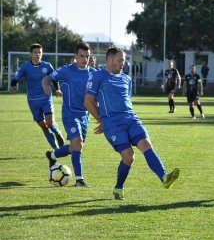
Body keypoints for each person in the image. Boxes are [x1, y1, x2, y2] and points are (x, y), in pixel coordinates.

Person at [84, 47, 180, 200]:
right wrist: (103, 121)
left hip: (131, 119)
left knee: (146, 145)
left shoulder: (126, 79)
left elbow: (126, 101)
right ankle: (118, 188)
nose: (124, 63)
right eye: (120, 60)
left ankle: (164, 177)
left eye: (124, 60)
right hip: (113, 124)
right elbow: (88, 101)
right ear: (109, 60)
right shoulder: (97, 76)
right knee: (129, 157)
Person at [43, 42, 97, 187]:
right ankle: (79, 180)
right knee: (77, 143)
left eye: (87, 56)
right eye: (81, 56)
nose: (84, 59)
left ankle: (52, 155)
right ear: (75, 56)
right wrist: (46, 86)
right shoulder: (66, 70)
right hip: (70, 114)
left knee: (75, 147)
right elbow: (47, 78)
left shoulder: (93, 72)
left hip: (85, 116)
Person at [9, 43, 64, 150]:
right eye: (35, 52)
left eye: (40, 52)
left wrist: (57, 89)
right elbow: (16, 77)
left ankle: (58, 134)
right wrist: (12, 86)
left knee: (50, 123)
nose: (38, 54)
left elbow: (54, 78)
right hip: (32, 101)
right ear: (31, 54)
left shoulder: (47, 66)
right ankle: (57, 149)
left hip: (45, 98)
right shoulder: (25, 67)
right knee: (43, 126)